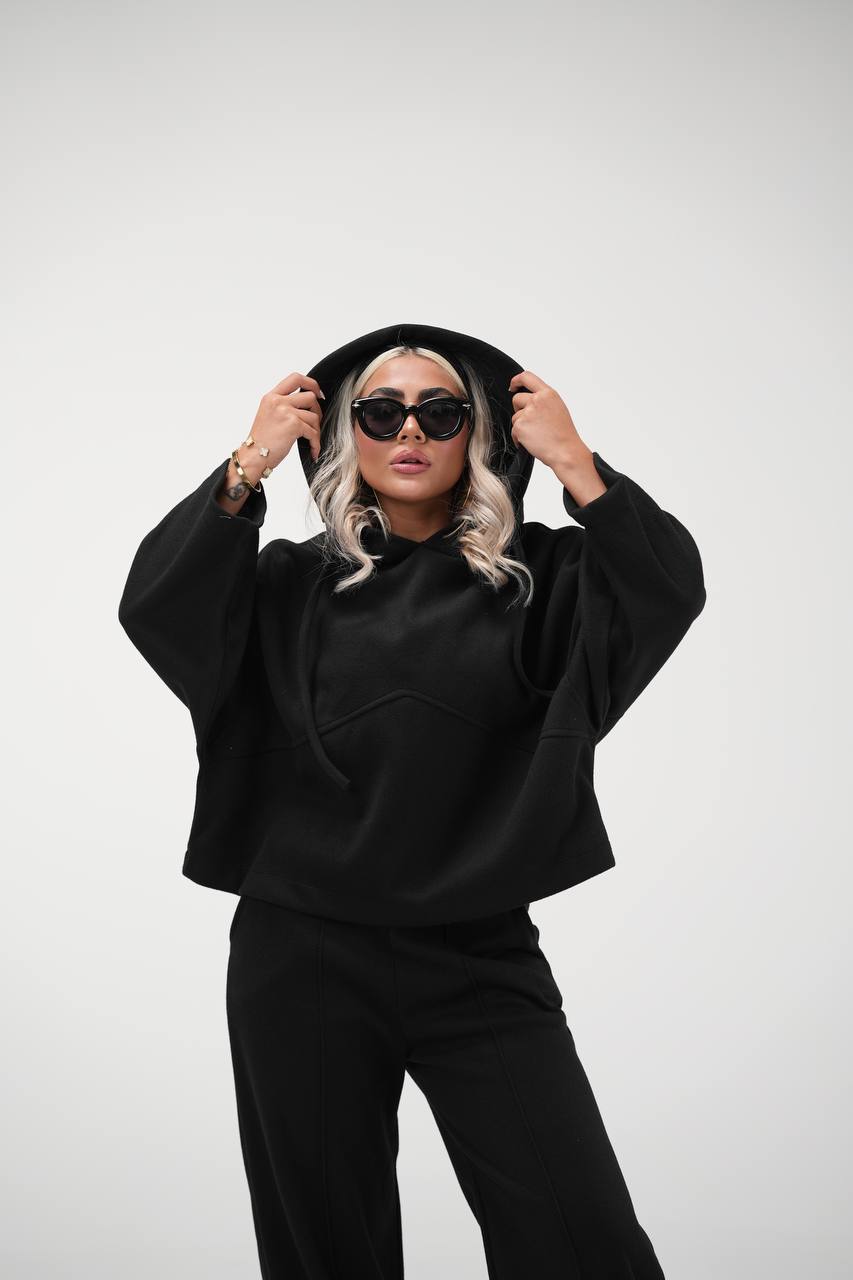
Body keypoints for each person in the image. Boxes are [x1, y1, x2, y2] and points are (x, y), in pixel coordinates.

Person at [118, 321, 706, 1279]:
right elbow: (157, 606)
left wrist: (574, 460)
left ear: (480, 434)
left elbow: (666, 588)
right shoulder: (283, 584)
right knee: (325, 1254)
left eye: (440, 412)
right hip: (300, 953)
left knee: (580, 1238)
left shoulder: (541, 581)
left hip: (478, 950)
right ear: (343, 431)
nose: (409, 431)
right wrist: (246, 465)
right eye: (380, 411)